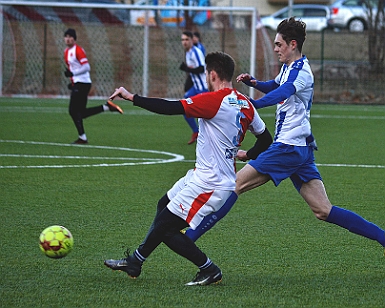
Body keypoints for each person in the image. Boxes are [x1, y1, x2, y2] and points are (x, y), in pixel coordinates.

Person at [184, 17, 385, 252]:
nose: (276, 49)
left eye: (279, 44)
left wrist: (250, 104)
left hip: (289, 147)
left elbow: (284, 92)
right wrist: (256, 83)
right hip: (300, 148)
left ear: (292, 44)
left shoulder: (302, 72)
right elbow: (276, 86)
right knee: (323, 210)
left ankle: (187, 240)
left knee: (234, 185)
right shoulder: (289, 67)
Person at [103, 51, 273, 286]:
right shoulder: (245, 103)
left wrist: (132, 97)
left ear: (212, 74)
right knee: (163, 205)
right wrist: (245, 154)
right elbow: (266, 140)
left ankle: (209, 269)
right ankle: (136, 261)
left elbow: (169, 108)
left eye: (206, 73)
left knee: (165, 228)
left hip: (211, 183)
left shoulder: (214, 101)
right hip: (203, 175)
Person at [63, 28, 123, 144]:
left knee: (73, 111)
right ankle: (106, 107)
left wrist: (73, 74)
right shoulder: (66, 52)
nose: (68, 39)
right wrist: (72, 82)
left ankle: (82, 138)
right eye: (66, 36)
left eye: (70, 37)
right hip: (79, 83)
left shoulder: (78, 50)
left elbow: (86, 67)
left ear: (74, 39)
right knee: (81, 113)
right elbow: (74, 68)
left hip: (83, 83)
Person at [179, 30, 208, 145]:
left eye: (186, 39)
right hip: (196, 87)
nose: (184, 42)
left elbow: (201, 68)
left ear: (192, 40)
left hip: (203, 88)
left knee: (205, 115)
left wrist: (187, 69)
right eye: (182, 40)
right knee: (184, 106)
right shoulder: (188, 52)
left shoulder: (196, 52)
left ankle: (207, 136)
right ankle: (196, 132)